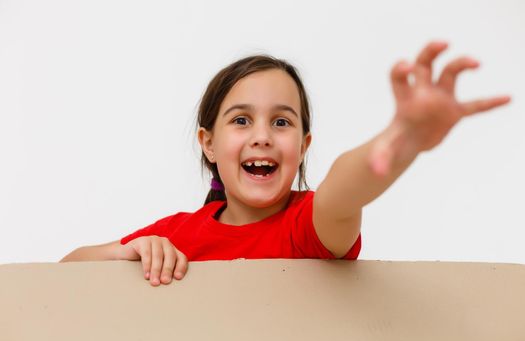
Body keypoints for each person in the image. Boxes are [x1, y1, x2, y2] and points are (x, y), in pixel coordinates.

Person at [60, 41, 510, 287]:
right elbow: (61, 277)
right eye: (241, 120)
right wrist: (126, 251)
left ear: (303, 144)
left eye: (281, 121)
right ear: (209, 144)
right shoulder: (177, 234)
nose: (262, 136)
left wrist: (401, 140)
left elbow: (345, 190)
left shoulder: (307, 226)